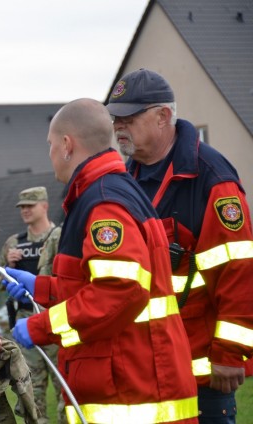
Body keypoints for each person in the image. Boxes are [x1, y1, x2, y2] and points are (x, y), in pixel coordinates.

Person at [3, 98, 199, 423]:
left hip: (132, 392)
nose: (50, 154)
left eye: (51, 145)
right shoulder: (109, 192)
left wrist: (42, 326)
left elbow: (118, 292)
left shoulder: (103, 203)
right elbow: (93, 286)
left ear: (67, 145)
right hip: (133, 380)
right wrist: (41, 288)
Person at [106, 68, 253, 423]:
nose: (118, 126)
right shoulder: (125, 180)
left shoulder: (211, 177)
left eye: (129, 116)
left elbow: (239, 271)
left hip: (202, 369)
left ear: (163, 116)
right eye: (115, 117)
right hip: (144, 363)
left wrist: (231, 354)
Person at [0, 186, 64, 424]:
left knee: (65, 386)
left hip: (57, 318)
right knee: (30, 389)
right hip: (26, 320)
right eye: (21, 206)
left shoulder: (60, 236)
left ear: (44, 206)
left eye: (29, 206)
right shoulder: (15, 243)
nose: (24, 210)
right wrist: (8, 264)